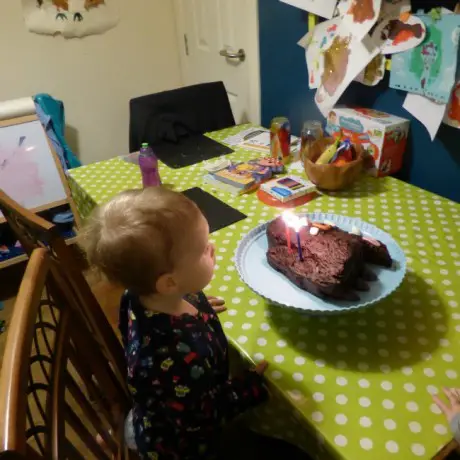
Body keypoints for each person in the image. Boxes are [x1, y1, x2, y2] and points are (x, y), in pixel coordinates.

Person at [81, 187, 269, 460]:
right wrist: (248, 388)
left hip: (161, 406)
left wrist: (195, 304)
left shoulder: (138, 295)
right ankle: (130, 436)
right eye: (204, 250)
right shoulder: (173, 356)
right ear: (169, 282)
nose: (213, 248)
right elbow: (204, 414)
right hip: (181, 444)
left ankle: (129, 430)